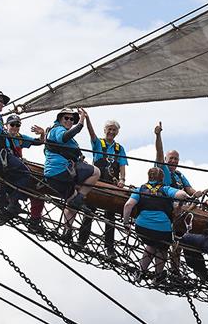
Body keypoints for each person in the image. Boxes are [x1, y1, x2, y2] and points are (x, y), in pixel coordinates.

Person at [123, 167, 190, 284]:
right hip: (162, 230)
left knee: (151, 244)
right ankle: (158, 275)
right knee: (162, 248)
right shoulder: (166, 189)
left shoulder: (140, 189)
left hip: (142, 228)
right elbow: (182, 194)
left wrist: (126, 223)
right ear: (162, 178)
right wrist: (181, 201)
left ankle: (141, 271)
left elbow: (128, 205)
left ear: (149, 177)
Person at [44, 107, 101, 242]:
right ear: (59, 119)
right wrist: (81, 121)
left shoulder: (54, 132)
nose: (69, 121)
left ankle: (67, 231)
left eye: (72, 119)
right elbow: (65, 137)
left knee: (71, 204)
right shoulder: (58, 130)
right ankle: (81, 197)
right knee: (96, 171)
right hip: (62, 172)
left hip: (54, 175)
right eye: (66, 118)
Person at [0, 90, 32, 223]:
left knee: (8, 176)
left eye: (2, 102)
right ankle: (13, 203)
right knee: (25, 173)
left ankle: (2, 200)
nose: (0, 104)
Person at [84, 117, 128, 256]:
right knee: (89, 211)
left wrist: (122, 179)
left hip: (111, 183)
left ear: (117, 133)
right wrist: (87, 119)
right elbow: (91, 134)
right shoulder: (98, 143)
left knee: (110, 216)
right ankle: (82, 240)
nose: (111, 132)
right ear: (104, 130)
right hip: (97, 181)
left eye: (114, 130)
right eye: (109, 129)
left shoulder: (119, 148)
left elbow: (122, 165)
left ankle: (109, 248)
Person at [4, 114, 46, 231]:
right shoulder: (2, 137)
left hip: (18, 168)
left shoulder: (20, 138)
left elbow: (39, 142)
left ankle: (34, 220)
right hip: (10, 171)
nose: (15, 127)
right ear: (6, 125)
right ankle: (12, 203)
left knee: (38, 194)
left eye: (18, 125)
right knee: (29, 182)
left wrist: (42, 133)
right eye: (12, 124)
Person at [153, 121, 198, 195]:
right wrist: (158, 135)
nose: (173, 161)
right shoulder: (161, 168)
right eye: (171, 158)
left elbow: (189, 189)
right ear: (165, 159)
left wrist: (198, 194)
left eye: (176, 159)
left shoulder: (179, 175)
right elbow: (159, 151)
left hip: (181, 201)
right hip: (165, 199)